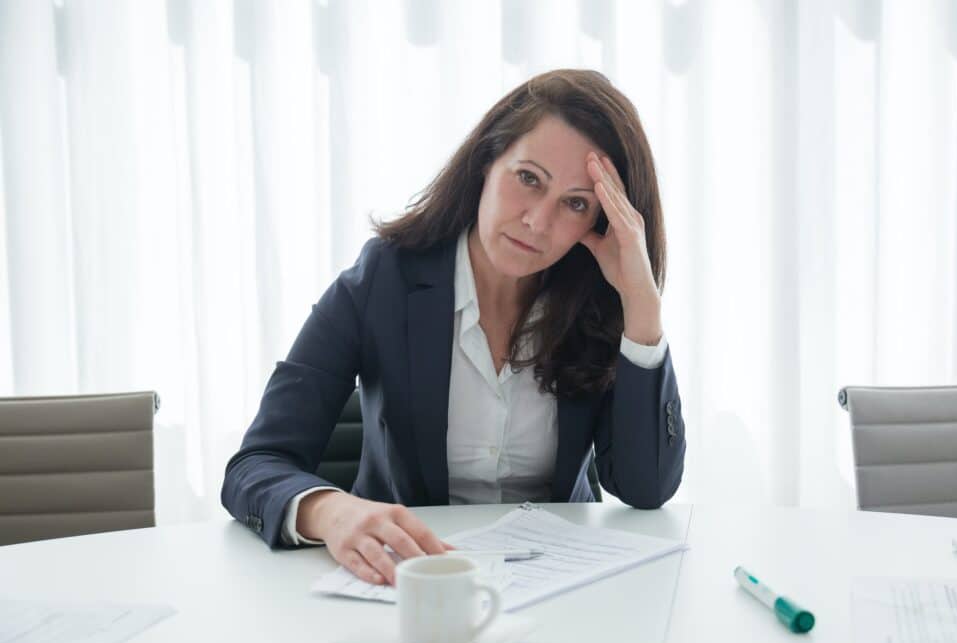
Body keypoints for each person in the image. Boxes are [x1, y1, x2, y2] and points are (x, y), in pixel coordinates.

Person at [221, 68, 686, 587]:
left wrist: (641, 306)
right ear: (487, 160)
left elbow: (647, 489)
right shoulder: (383, 279)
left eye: (575, 203)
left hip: (560, 589)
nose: (537, 221)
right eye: (528, 178)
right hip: (410, 583)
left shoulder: (598, 304)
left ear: (598, 223)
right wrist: (335, 513)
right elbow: (256, 464)